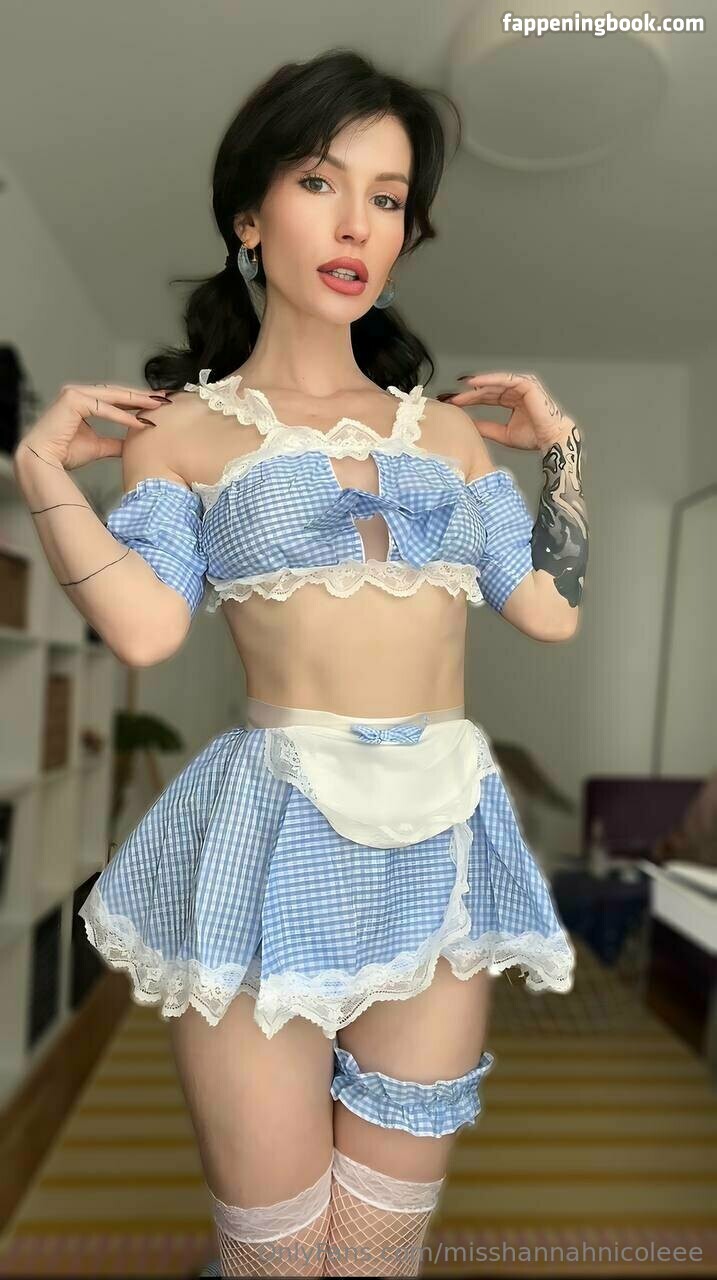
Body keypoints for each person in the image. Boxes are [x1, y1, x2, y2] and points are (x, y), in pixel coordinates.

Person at [12, 48, 588, 1279]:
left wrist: (562, 458)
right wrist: (44, 472)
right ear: (249, 215)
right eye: (322, 182)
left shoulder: (448, 435)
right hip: (270, 839)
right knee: (279, 1259)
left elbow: (549, 610)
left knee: (373, 1260)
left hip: (441, 841)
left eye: (388, 198)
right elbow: (147, 629)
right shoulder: (183, 432)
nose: (356, 224)